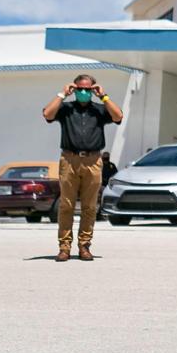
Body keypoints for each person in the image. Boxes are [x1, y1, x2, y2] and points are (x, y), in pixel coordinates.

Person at [42, 74, 124, 262]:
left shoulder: (99, 110)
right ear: (74, 89)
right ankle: (64, 247)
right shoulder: (66, 109)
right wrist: (62, 94)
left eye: (88, 89)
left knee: (89, 206)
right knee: (66, 205)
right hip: (69, 159)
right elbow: (47, 113)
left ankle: (84, 246)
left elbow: (118, 116)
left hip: (93, 161)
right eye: (80, 89)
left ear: (93, 89)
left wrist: (104, 96)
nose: (84, 93)